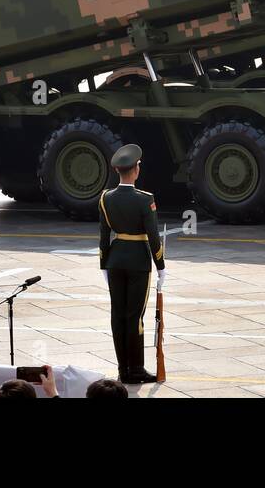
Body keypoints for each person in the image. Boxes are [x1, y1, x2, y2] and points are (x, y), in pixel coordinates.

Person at [99, 143, 166, 385]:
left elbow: (104, 236)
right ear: (136, 169)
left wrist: (104, 265)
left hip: (115, 261)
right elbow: (153, 236)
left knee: (117, 316)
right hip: (138, 261)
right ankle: (136, 368)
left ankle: (123, 369)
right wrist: (161, 265)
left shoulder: (106, 198)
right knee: (134, 316)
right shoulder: (145, 199)